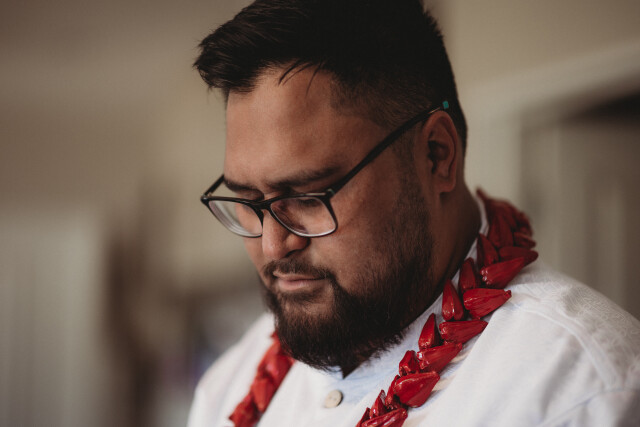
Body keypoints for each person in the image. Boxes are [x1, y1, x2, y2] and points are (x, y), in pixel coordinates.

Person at [187, 1, 640, 426]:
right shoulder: (227, 388)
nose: (272, 246)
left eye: (308, 196)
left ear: (436, 156)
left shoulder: (583, 391)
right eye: (248, 201)